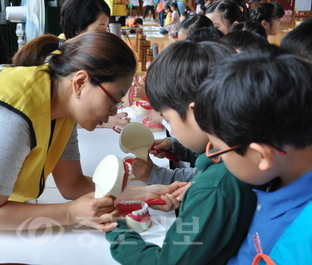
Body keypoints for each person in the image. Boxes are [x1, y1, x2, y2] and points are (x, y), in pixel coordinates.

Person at [0, 31, 180, 234]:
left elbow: (71, 185)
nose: (113, 110)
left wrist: (142, 194)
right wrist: (71, 214)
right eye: (114, 98)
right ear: (80, 82)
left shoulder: (57, 105)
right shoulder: (12, 119)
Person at [105, 40, 257, 264]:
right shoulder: (241, 161)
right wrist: (191, 201)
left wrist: (115, 230)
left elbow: (166, 262)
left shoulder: (212, 190)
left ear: (198, 112)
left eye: (168, 119)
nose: (170, 129)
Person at [194, 45, 312, 265]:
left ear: (261, 156)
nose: (216, 156)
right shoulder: (283, 174)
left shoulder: (303, 239)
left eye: (219, 149)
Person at [60, 0, 131, 128]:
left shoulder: (85, 53)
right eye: (100, 29)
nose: (105, 36)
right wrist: (100, 119)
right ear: (77, 28)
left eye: (106, 29)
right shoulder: (59, 60)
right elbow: (60, 112)